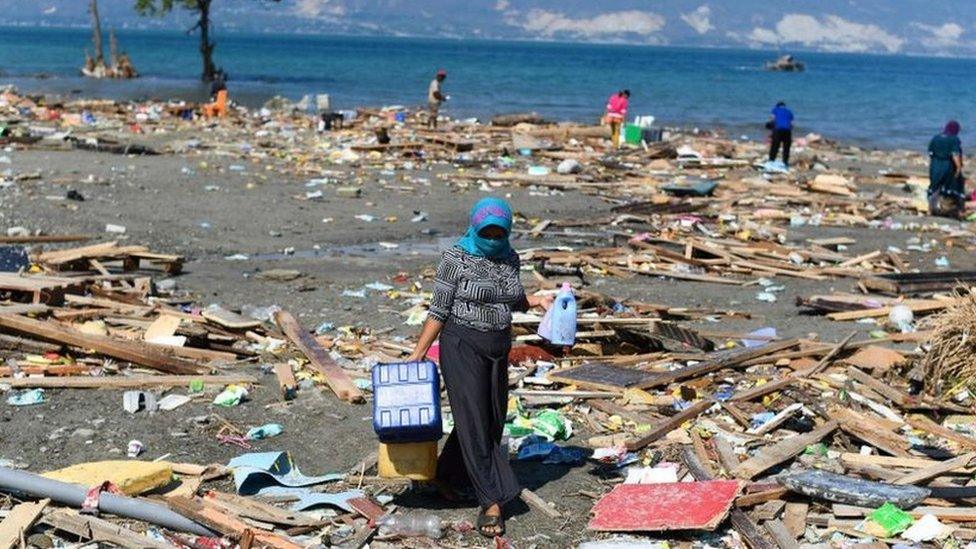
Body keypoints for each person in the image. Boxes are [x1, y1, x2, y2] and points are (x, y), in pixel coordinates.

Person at [406, 197, 552, 538]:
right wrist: (418, 353)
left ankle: (445, 474)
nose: (492, 237)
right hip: (461, 347)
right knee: (473, 421)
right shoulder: (456, 257)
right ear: (474, 226)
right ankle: (492, 500)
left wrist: (538, 299)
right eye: (486, 231)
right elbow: (438, 310)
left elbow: (511, 296)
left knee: (490, 420)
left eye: (498, 232)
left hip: (497, 350)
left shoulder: (509, 257)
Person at [927, 120, 965, 217]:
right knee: (954, 186)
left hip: (935, 165)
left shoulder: (936, 138)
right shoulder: (954, 139)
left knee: (934, 186)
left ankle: (930, 210)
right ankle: (959, 211)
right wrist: (959, 167)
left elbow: (931, 153)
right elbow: (955, 154)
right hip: (947, 165)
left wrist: (934, 165)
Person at [768, 101, 794, 166]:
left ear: (777, 106)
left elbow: (772, 119)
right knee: (786, 147)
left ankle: (771, 160)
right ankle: (785, 161)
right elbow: (791, 124)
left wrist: (771, 128)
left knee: (775, 146)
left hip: (778, 130)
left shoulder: (775, 110)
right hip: (787, 130)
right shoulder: (789, 111)